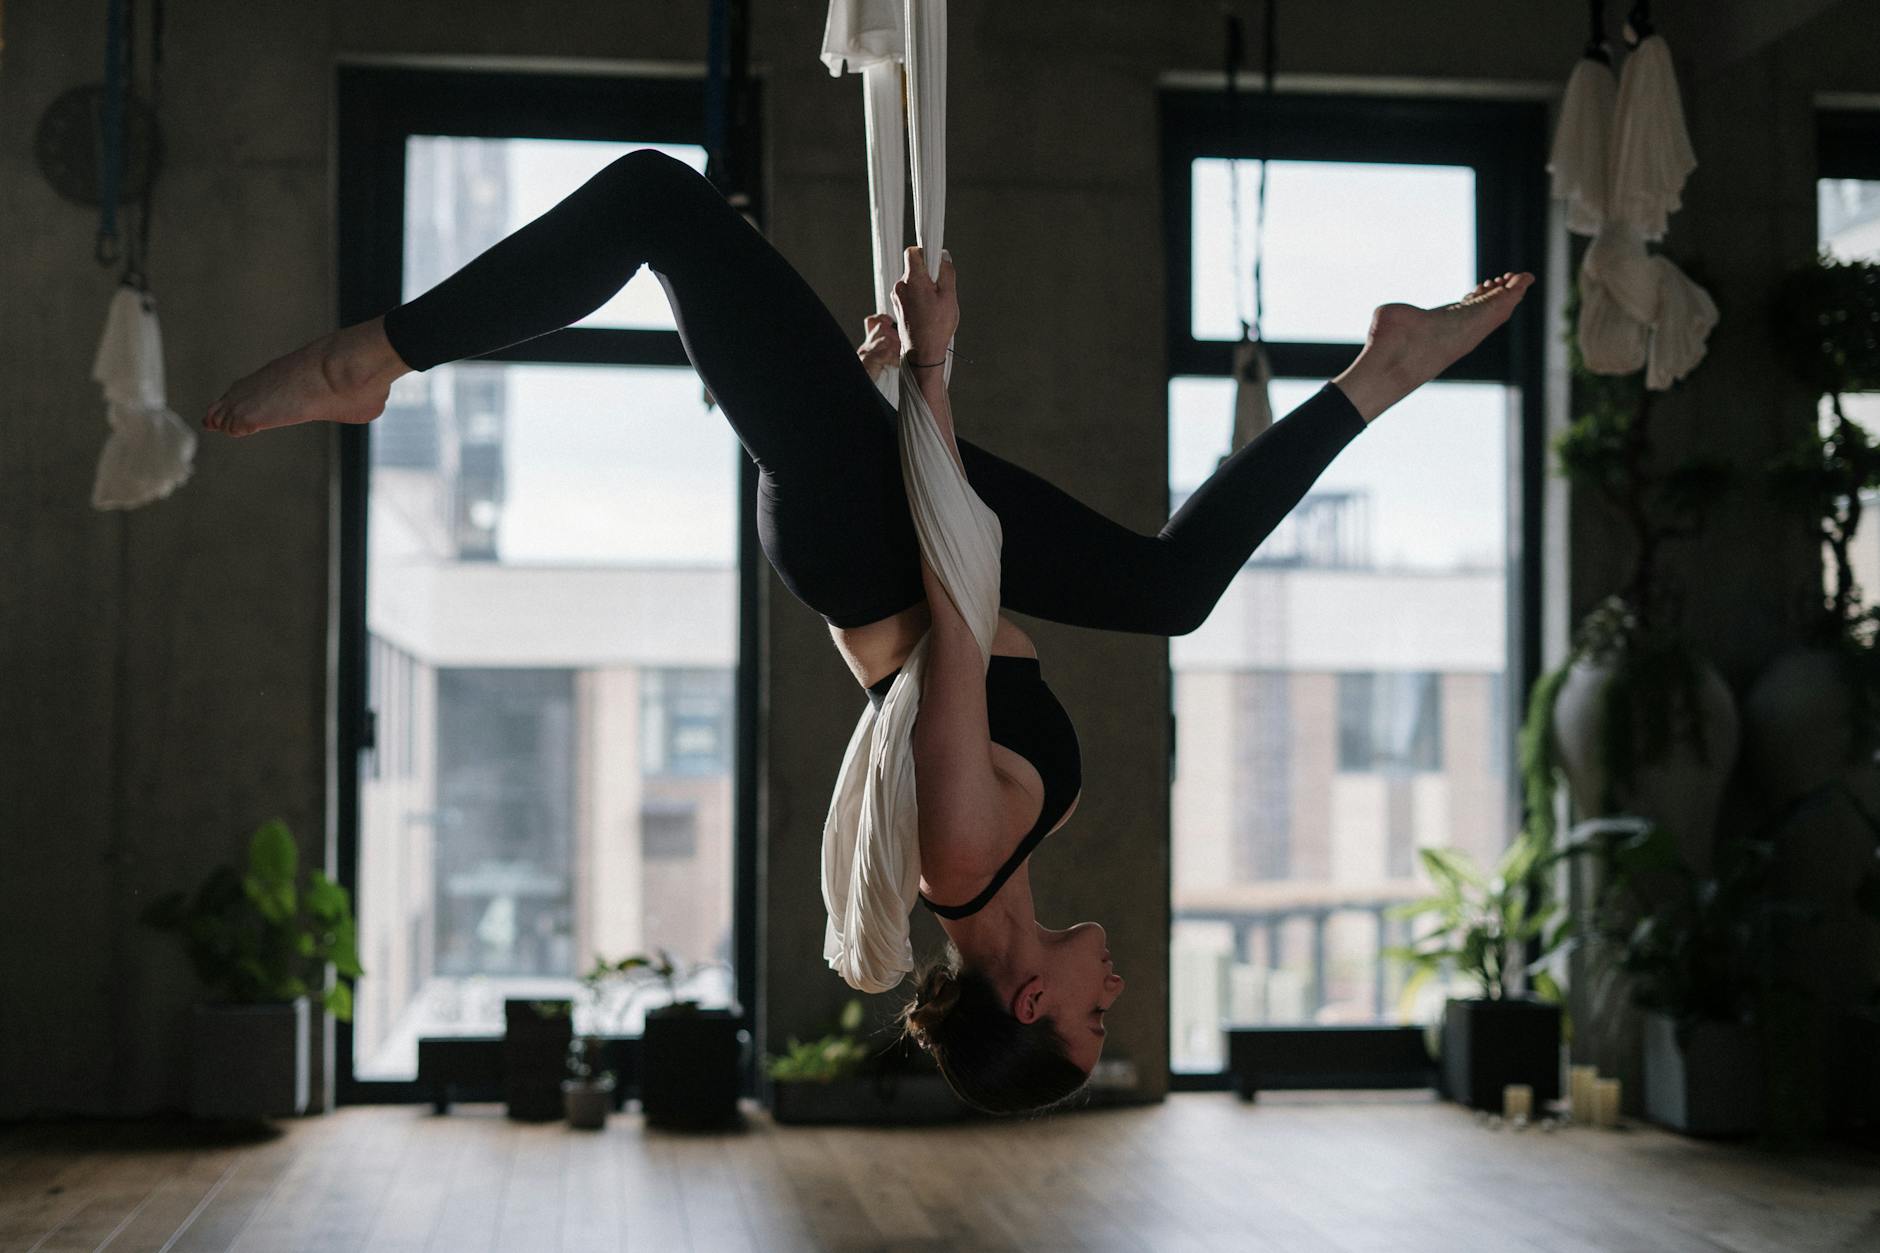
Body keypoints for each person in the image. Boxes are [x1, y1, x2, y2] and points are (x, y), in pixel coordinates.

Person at [205, 148, 1533, 1114]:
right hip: (883, 523)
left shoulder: (966, 847)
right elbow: (933, 632)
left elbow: (960, 609)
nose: (1111, 996)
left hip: (874, 532)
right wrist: (894, 402)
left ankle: (372, 358)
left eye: (1088, 1021)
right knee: (1171, 586)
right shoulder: (1011, 845)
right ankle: (1387, 368)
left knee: (661, 202)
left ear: (1026, 1003)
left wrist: (931, 381)